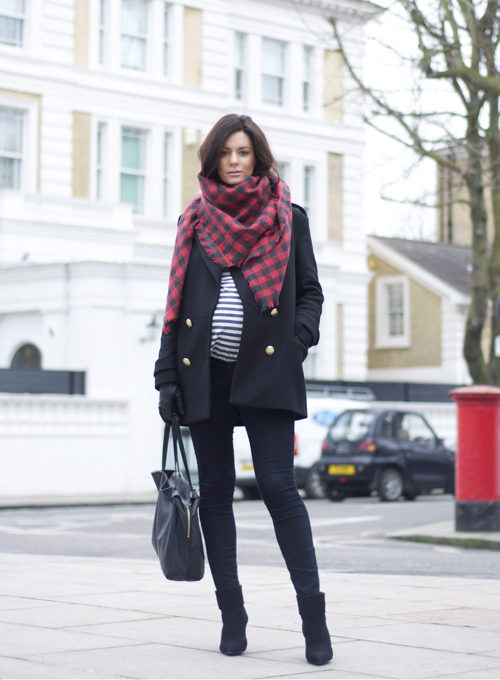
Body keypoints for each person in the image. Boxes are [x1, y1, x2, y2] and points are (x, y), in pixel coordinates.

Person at [154, 113, 332, 666]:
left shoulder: (288, 217)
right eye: (226, 153)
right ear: (213, 159)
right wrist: (166, 377)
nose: (234, 161)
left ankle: (314, 619)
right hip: (204, 373)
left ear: (258, 157)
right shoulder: (193, 220)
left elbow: (310, 292)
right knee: (215, 493)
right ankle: (232, 616)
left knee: (279, 488)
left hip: (268, 371)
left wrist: (298, 341)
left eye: (244, 152)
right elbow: (174, 305)